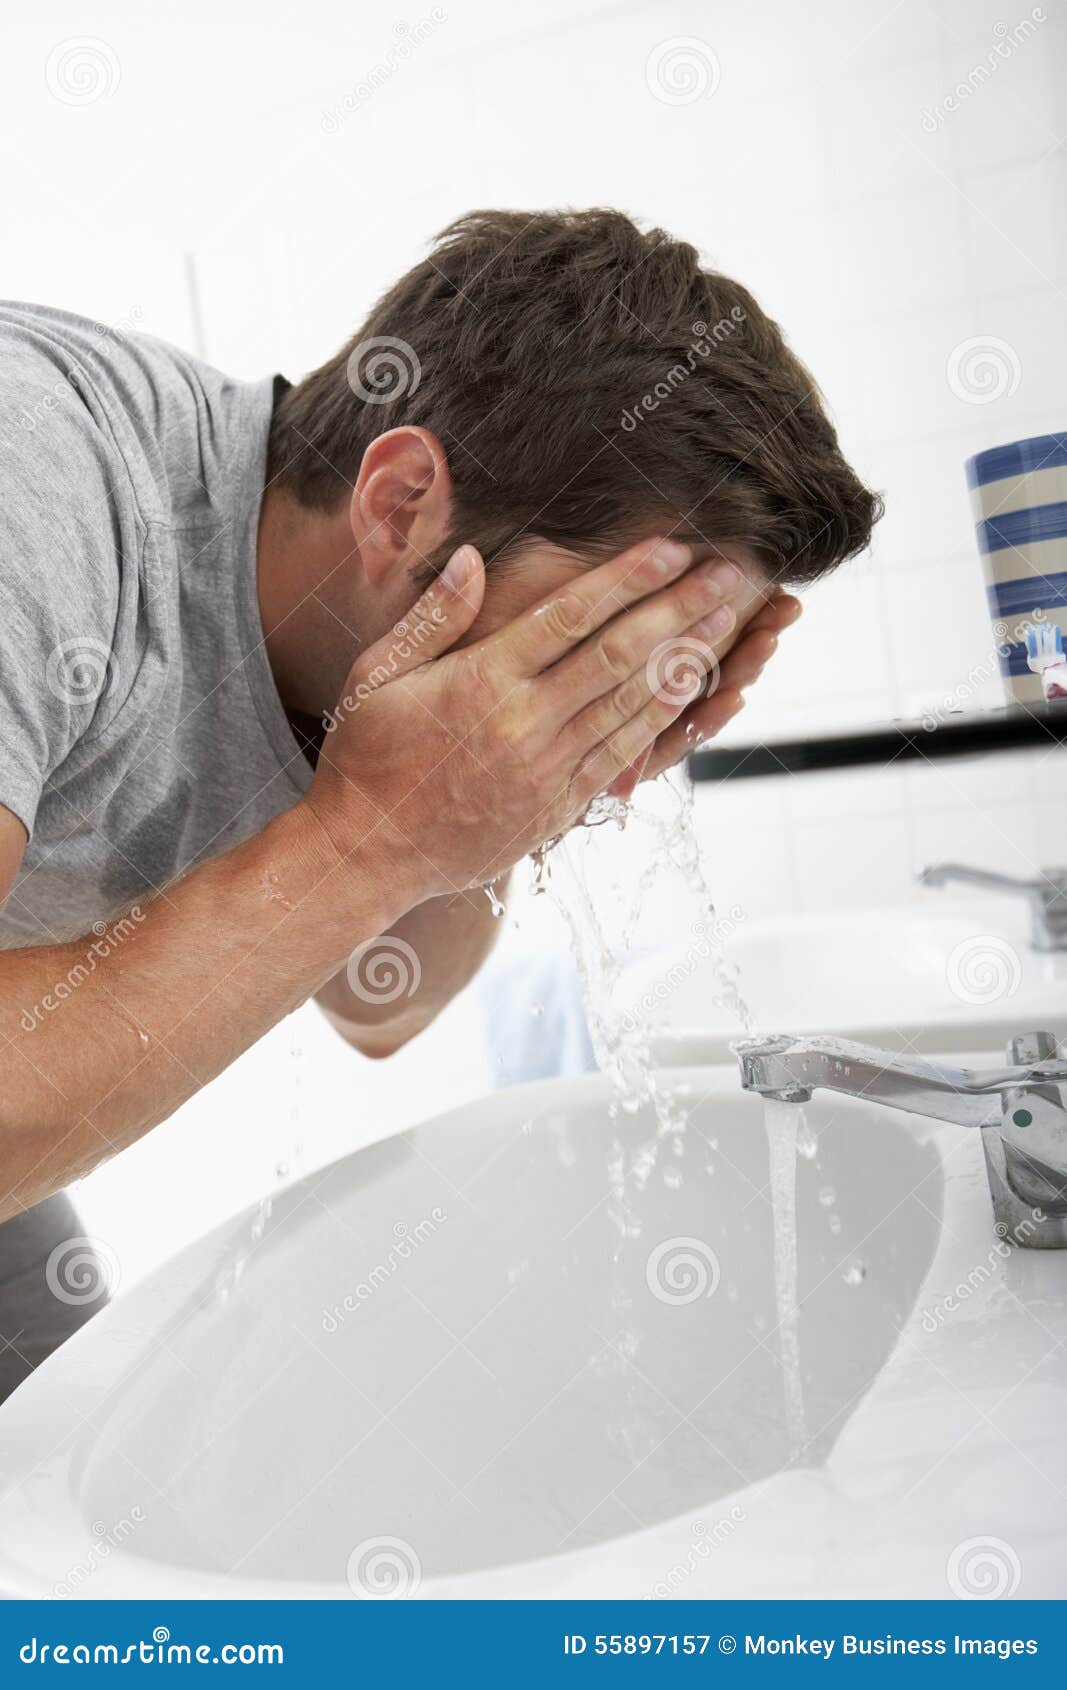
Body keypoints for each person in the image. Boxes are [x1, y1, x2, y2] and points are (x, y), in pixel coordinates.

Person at [0, 208, 880, 1398]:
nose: (609, 692)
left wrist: (509, 799)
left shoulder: (346, 644)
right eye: (602, 636)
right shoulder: (39, 486)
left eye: (667, 656)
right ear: (403, 501)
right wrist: (371, 835)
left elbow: (384, 1006)